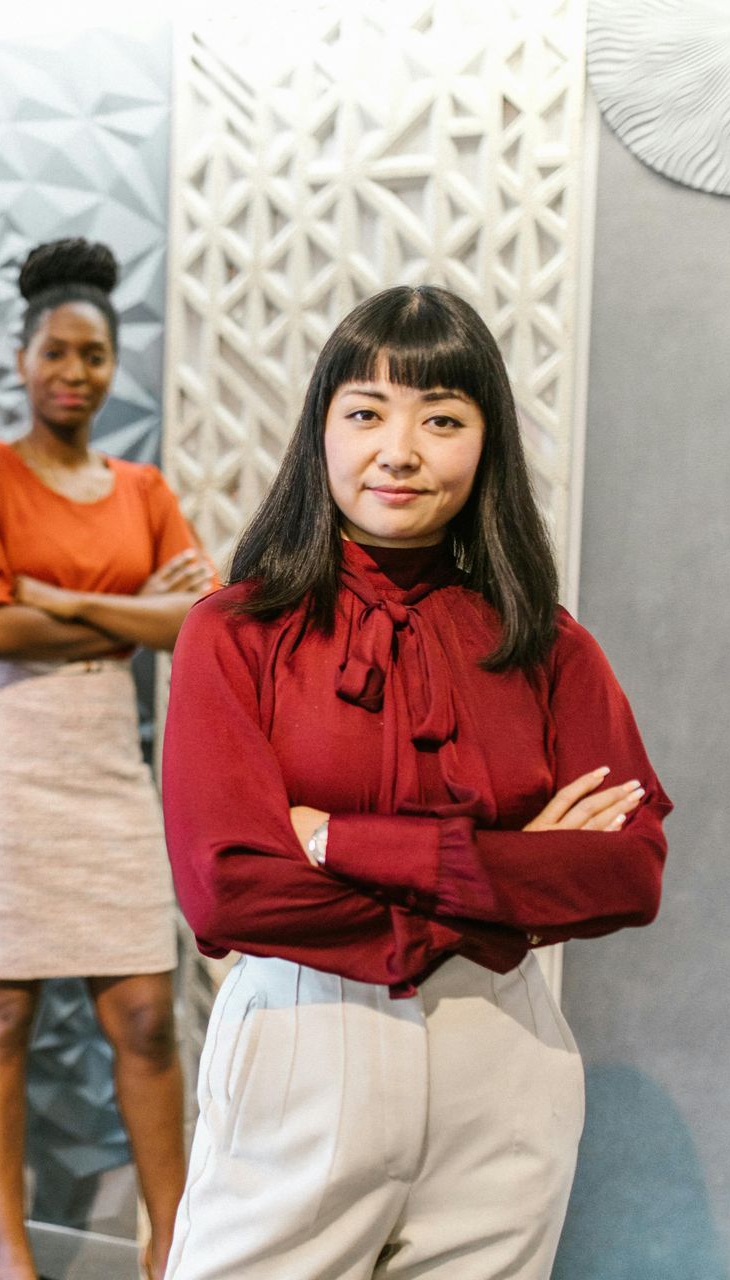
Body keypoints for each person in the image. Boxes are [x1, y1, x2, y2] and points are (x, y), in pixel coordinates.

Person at [160, 285, 671, 1279]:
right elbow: (226, 886)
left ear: (486, 444)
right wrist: (508, 879)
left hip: (505, 1056)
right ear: (321, 433)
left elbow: (630, 869)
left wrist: (338, 839)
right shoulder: (234, 632)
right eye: (366, 413)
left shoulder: (548, 645)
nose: (399, 450)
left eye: (442, 417)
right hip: (307, 1038)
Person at [0, 238, 215, 1280]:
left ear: (111, 365)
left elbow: (199, 623)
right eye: (56, 350)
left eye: (93, 354)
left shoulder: (142, 488)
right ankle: (9, 1251)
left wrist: (58, 599)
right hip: (0, 769)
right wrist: (131, 616)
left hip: (106, 770)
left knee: (144, 1014)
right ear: (21, 357)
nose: (74, 371)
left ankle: (172, 1245)